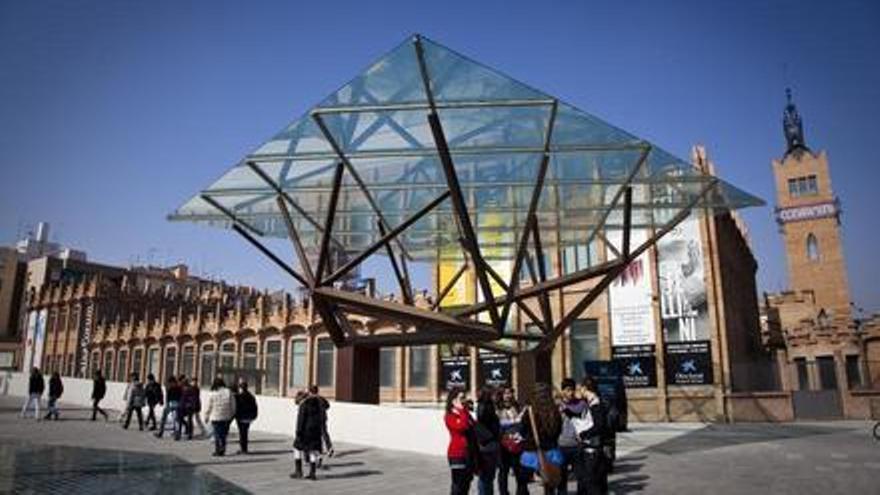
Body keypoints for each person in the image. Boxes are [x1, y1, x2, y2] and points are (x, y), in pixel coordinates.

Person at [520, 383, 563, 495]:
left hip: (531, 454)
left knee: (524, 485)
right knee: (550, 484)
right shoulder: (554, 411)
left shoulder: (529, 411)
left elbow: (522, 430)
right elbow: (558, 431)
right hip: (552, 452)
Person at [578, 376, 609, 494]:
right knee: (595, 481)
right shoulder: (592, 403)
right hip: (593, 447)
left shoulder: (596, 404)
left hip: (593, 448)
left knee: (592, 482)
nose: (580, 391)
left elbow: (599, 426)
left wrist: (583, 434)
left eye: (581, 388)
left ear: (585, 388)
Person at [445, 388, 478, 495]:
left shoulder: (465, 413)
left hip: (468, 453)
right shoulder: (450, 416)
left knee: (466, 483)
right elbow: (461, 427)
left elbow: (473, 426)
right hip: (457, 454)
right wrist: (462, 410)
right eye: (461, 398)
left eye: (464, 397)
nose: (464, 400)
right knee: (458, 484)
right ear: (453, 401)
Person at [496, 387, 528, 495]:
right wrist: (515, 421)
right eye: (506, 393)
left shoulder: (517, 406)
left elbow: (522, 423)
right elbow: (499, 423)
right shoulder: (497, 408)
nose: (508, 395)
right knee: (503, 472)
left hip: (517, 444)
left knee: (519, 471)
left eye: (510, 393)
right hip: (503, 445)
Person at [293, 387, 325, 480]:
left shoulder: (303, 405)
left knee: (296, 448)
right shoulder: (318, 403)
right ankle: (312, 473)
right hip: (316, 431)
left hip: (305, 432)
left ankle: (298, 471)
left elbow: (300, 421)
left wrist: (298, 432)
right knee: (313, 451)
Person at [476, 388, 501, 495]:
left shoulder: (482, 406)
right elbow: (485, 422)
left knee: (487, 476)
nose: (497, 397)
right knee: (486, 476)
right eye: (495, 395)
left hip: (487, 444)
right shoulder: (487, 407)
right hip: (488, 444)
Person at [203, 377, 236, 456]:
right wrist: (232, 414)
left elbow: (209, 406)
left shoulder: (213, 393)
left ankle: (218, 450)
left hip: (215, 417)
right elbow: (233, 405)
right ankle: (223, 448)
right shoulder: (229, 392)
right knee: (224, 434)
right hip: (226, 417)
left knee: (217, 434)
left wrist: (206, 416)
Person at [234, 378, 258, 454]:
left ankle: (243, 449)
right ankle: (244, 448)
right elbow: (255, 407)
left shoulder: (239, 396)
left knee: (242, 433)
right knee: (245, 433)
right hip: (249, 417)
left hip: (241, 418)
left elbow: (236, 407)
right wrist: (254, 416)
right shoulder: (251, 396)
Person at [178, 376, 198, 440]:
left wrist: (190, 404)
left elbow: (193, 398)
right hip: (182, 407)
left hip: (189, 407)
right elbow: (181, 398)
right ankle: (179, 433)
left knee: (189, 420)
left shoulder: (191, 389)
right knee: (180, 418)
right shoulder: (181, 388)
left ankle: (189, 434)